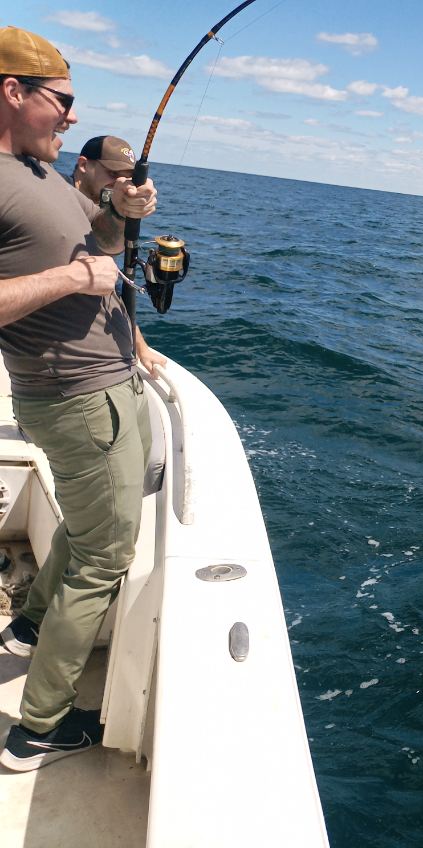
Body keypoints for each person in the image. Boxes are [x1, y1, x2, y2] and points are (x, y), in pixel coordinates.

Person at [0, 26, 159, 771]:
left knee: (93, 532)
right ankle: (39, 730)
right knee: (106, 555)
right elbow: (73, 273)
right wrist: (70, 280)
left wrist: (123, 212)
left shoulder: (38, 175)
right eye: (62, 102)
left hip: (102, 389)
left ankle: (29, 627)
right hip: (77, 397)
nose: (70, 117)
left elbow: (93, 243)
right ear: (13, 92)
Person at [71, 134, 166, 376]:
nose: (120, 184)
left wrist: (141, 348)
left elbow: (111, 293)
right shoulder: (60, 201)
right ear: (83, 165)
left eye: (127, 177)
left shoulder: (105, 215)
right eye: (113, 175)